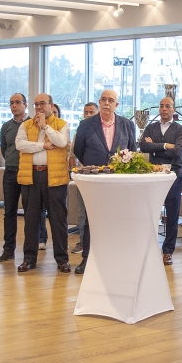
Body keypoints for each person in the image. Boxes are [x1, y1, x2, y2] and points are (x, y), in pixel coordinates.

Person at [73, 89, 139, 274]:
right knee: (90, 221)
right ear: (99, 102)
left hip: (118, 182)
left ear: (116, 105)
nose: (107, 103)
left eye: (111, 100)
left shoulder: (127, 124)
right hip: (94, 181)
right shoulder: (86, 125)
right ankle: (87, 259)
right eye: (103, 100)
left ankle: (116, 259)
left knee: (118, 220)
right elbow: (79, 150)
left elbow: (132, 150)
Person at [15, 94, 72, 273]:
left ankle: (62, 260)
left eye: (42, 104)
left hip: (54, 177)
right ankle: (29, 259)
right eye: (36, 104)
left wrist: (45, 127)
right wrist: (42, 146)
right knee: (31, 220)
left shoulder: (61, 124)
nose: (39, 107)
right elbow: (20, 145)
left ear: (51, 105)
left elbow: (61, 142)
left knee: (58, 220)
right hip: (31, 176)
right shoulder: (26, 125)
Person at [140, 96, 182, 265]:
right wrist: (166, 145)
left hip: (174, 174)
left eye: (168, 106)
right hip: (154, 174)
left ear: (174, 109)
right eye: (161, 106)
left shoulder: (180, 129)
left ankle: (168, 251)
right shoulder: (150, 127)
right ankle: (150, 248)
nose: (164, 109)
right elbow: (143, 146)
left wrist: (155, 148)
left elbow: (178, 151)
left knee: (172, 212)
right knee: (151, 211)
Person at [0, 93, 28, 263]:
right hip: (10, 172)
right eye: (11, 103)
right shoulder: (6, 126)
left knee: (30, 212)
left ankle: (29, 250)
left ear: (25, 105)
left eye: (17, 102)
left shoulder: (32, 124)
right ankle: (8, 249)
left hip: (28, 172)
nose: (14, 106)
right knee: (9, 211)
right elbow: (4, 149)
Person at [70, 101, 99, 253]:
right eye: (85, 112)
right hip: (84, 178)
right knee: (83, 213)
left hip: (102, 178)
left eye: (91, 112)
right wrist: (74, 173)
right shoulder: (80, 132)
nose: (88, 115)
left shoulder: (103, 132)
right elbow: (73, 155)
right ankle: (83, 243)